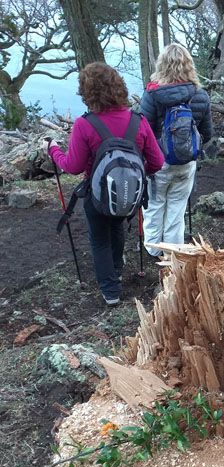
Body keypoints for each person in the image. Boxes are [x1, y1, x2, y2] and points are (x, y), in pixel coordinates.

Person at [44, 62, 164, 306]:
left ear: (86, 92)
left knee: (99, 239)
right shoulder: (137, 121)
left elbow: (73, 166)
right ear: (118, 86)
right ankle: (117, 271)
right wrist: (137, 173)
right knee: (117, 228)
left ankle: (111, 292)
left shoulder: (84, 124)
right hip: (128, 196)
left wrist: (53, 150)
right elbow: (157, 162)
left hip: (97, 196)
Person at [140, 43, 214, 256]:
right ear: (189, 65)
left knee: (154, 207)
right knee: (176, 211)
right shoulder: (200, 95)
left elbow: (143, 131)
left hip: (157, 164)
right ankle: (174, 254)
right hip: (186, 163)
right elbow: (207, 134)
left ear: (162, 65)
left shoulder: (152, 94)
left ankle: (155, 253)